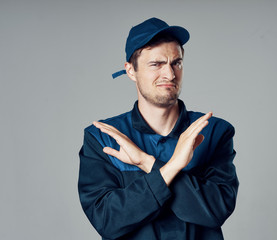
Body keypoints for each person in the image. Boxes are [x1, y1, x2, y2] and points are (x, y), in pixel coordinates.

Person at [78, 17, 239, 240]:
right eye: (156, 64)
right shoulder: (103, 138)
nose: (170, 74)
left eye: (176, 63)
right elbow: (108, 221)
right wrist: (171, 168)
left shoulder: (212, 132)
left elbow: (214, 211)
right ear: (130, 70)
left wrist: (147, 162)